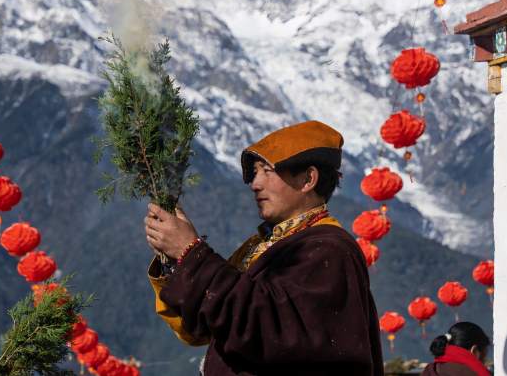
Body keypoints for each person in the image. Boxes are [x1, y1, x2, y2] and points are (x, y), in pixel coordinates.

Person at [144, 120, 384, 375]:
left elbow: (268, 327)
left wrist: (190, 252)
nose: (255, 184)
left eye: (266, 171)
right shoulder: (264, 245)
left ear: (308, 179)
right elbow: (203, 327)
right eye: (254, 173)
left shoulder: (329, 249)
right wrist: (175, 261)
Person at [421, 322, 491, 376]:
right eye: (484, 359)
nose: (484, 365)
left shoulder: (431, 370)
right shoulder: (472, 373)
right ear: (475, 351)